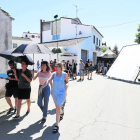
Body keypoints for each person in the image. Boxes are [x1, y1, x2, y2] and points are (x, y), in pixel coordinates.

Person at [39, 62, 69, 133]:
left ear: (61, 67)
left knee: (57, 107)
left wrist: (67, 85)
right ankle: (61, 113)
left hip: (62, 92)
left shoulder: (65, 74)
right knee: (57, 106)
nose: (56, 67)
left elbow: (67, 82)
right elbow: (48, 81)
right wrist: (42, 87)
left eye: (57, 66)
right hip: (54, 93)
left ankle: (56, 125)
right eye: (55, 66)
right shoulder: (53, 74)